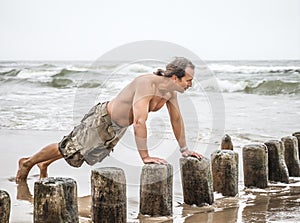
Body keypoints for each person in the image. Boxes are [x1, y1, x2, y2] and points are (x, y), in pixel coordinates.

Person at [16, 57, 203, 183]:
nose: (190, 84)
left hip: (118, 127)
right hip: (103, 120)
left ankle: (44, 163)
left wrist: (184, 149)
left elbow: (176, 120)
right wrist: (145, 157)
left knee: (77, 153)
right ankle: (27, 162)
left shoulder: (171, 92)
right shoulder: (147, 84)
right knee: (68, 146)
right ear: (173, 77)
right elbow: (139, 122)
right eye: (188, 80)